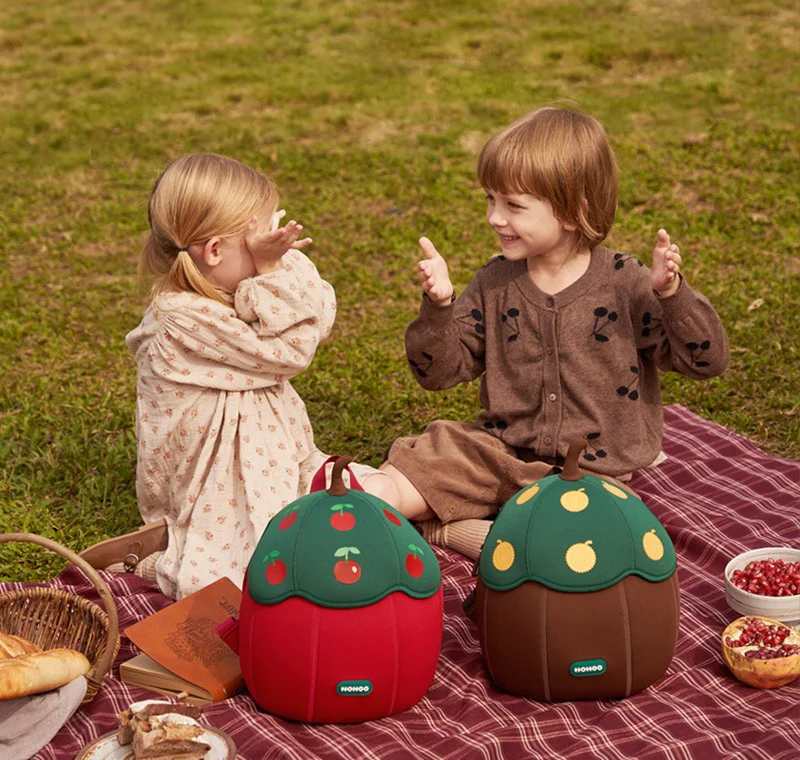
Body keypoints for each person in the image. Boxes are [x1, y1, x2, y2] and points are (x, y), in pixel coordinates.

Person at [368, 106, 730, 559]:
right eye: (490, 200)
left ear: (572, 212)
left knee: (592, 545)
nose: (494, 218)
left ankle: (452, 532)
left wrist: (672, 294)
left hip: (591, 475)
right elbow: (438, 373)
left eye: (513, 206)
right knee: (403, 474)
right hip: (496, 454)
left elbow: (707, 360)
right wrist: (439, 308)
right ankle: (373, 513)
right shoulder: (495, 281)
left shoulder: (626, 282)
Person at [80, 153, 385, 599]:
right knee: (256, 575)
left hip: (274, 457)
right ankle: (153, 556)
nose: (273, 249)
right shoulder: (182, 318)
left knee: (373, 497)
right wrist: (275, 270)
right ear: (216, 251)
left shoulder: (226, 287)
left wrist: (268, 264)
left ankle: (439, 528)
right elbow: (294, 349)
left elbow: (318, 311)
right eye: (260, 241)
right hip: (221, 484)